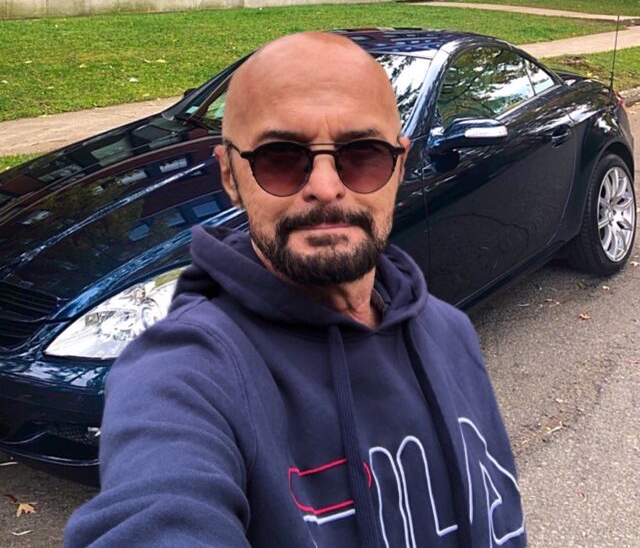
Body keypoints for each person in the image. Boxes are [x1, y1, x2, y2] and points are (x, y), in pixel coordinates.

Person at [64, 32, 525, 547]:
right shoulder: (183, 373)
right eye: (280, 158)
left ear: (399, 165)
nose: (325, 188)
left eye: (363, 154)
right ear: (230, 176)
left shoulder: (451, 332)